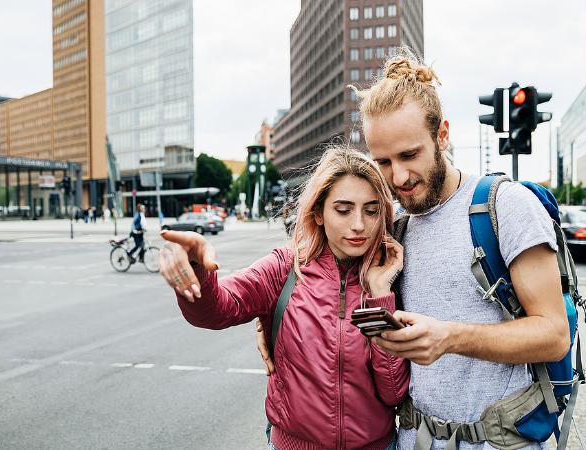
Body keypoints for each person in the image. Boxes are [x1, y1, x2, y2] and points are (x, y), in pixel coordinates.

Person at [253, 52, 569, 450]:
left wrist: (450, 337)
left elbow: (554, 334)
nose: (398, 176)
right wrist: (273, 317)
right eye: (382, 161)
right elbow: (323, 277)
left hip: (498, 441)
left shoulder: (505, 207)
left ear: (442, 136)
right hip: (411, 439)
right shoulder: (393, 225)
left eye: (409, 155)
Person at [159, 146, 409, 449]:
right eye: (343, 210)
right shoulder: (284, 269)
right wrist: (197, 268)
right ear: (318, 212)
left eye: (371, 211)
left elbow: (393, 392)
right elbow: (216, 310)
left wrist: (381, 293)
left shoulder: (393, 273)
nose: (359, 224)